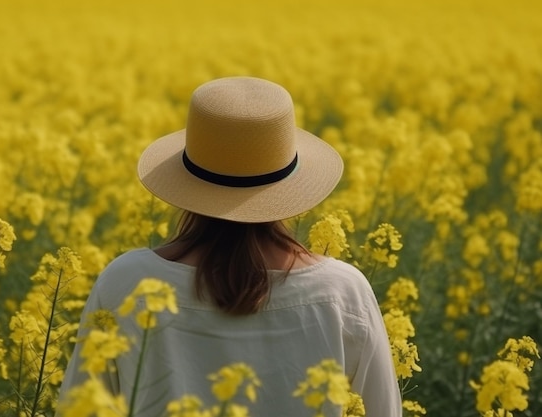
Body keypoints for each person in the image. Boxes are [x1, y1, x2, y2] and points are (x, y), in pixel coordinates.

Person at [58, 76, 402, 416]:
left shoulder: (126, 284)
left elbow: (79, 407)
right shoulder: (343, 293)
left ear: (187, 180)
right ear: (290, 182)